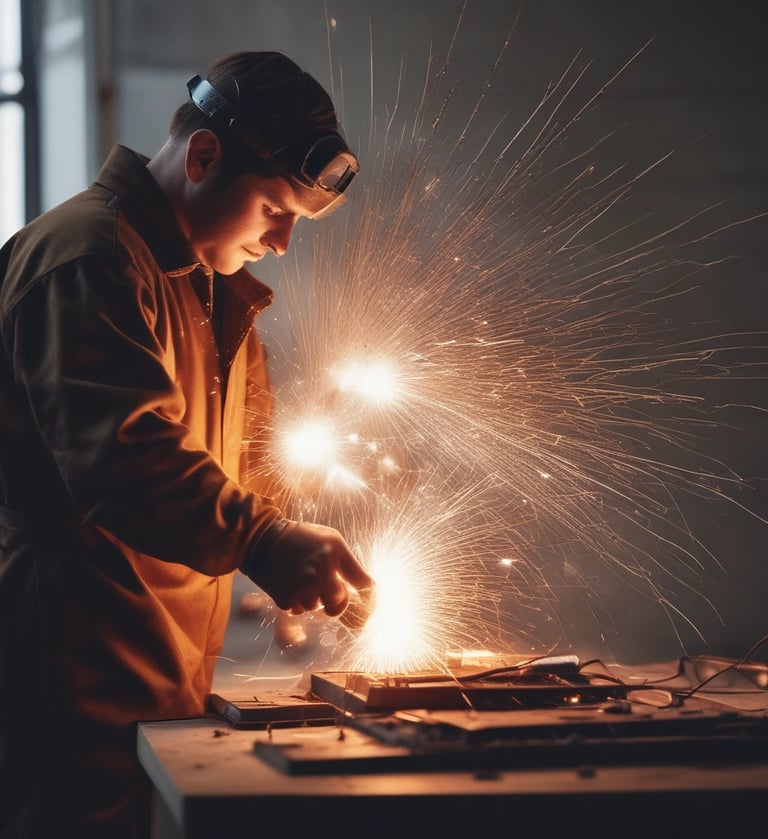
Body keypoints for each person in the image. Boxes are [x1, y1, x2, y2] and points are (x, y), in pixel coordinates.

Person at [0, 50, 373, 837]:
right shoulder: (87, 259)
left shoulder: (212, 289)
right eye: (276, 209)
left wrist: (294, 555)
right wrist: (263, 539)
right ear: (204, 157)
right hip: (68, 673)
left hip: (154, 677)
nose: (282, 244)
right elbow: (123, 457)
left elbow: (239, 467)